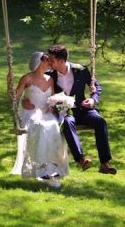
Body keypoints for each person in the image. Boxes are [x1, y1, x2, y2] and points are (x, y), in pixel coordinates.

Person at [22, 44, 117, 174]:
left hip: (83, 110)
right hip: (64, 112)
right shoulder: (50, 75)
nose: (49, 61)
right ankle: (81, 159)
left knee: (100, 121)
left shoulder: (80, 70)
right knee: (67, 122)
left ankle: (105, 163)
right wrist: (25, 100)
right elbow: (33, 84)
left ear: (61, 61)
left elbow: (96, 85)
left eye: (52, 60)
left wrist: (93, 99)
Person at [10, 51, 70, 188]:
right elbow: (14, 98)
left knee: (54, 127)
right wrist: (11, 85)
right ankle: (42, 169)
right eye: (47, 59)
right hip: (30, 113)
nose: (49, 61)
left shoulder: (50, 79)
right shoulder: (27, 78)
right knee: (41, 126)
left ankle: (53, 169)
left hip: (46, 112)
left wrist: (54, 106)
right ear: (39, 62)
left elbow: (53, 98)